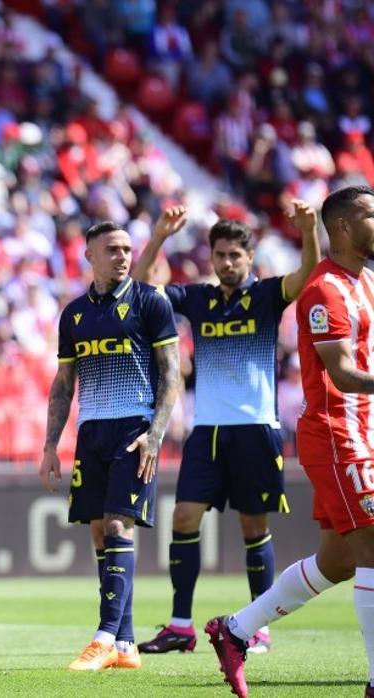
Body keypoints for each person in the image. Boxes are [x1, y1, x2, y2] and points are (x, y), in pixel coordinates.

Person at [130, 201, 320, 655]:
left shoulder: (269, 295)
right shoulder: (199, 299)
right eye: (221, 255)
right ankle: (180, 626)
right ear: (212, 258)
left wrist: (309, 231)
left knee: (254, 525)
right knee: (183, 517)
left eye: (236, 255)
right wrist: (158, 236)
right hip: (208, 430)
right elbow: (139, 288)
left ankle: (259, 626)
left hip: (255, 428)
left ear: (249, 258)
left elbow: (308, 273)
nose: (228, 263)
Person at [207, 185, 374, 698]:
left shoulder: (365, 280)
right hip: (337, 432)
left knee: (339, 562)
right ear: (343, 226)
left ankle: (233, 630)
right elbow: (342, 373)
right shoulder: (324, 290)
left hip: (365, 429)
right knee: (373, 549)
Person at [40, 220, 183, 672]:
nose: (122, 256)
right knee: (100, 531)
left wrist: (156, 433)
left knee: (119, 526)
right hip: (91, 431)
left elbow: (172, 373)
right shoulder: (74, 314)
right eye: (112, 249)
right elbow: (63, 385)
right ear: (90, 256)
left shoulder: (149, 303)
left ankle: (102, 638)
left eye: (126, 249)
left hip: (134, 431)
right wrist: (49, 446)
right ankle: (125, 644)